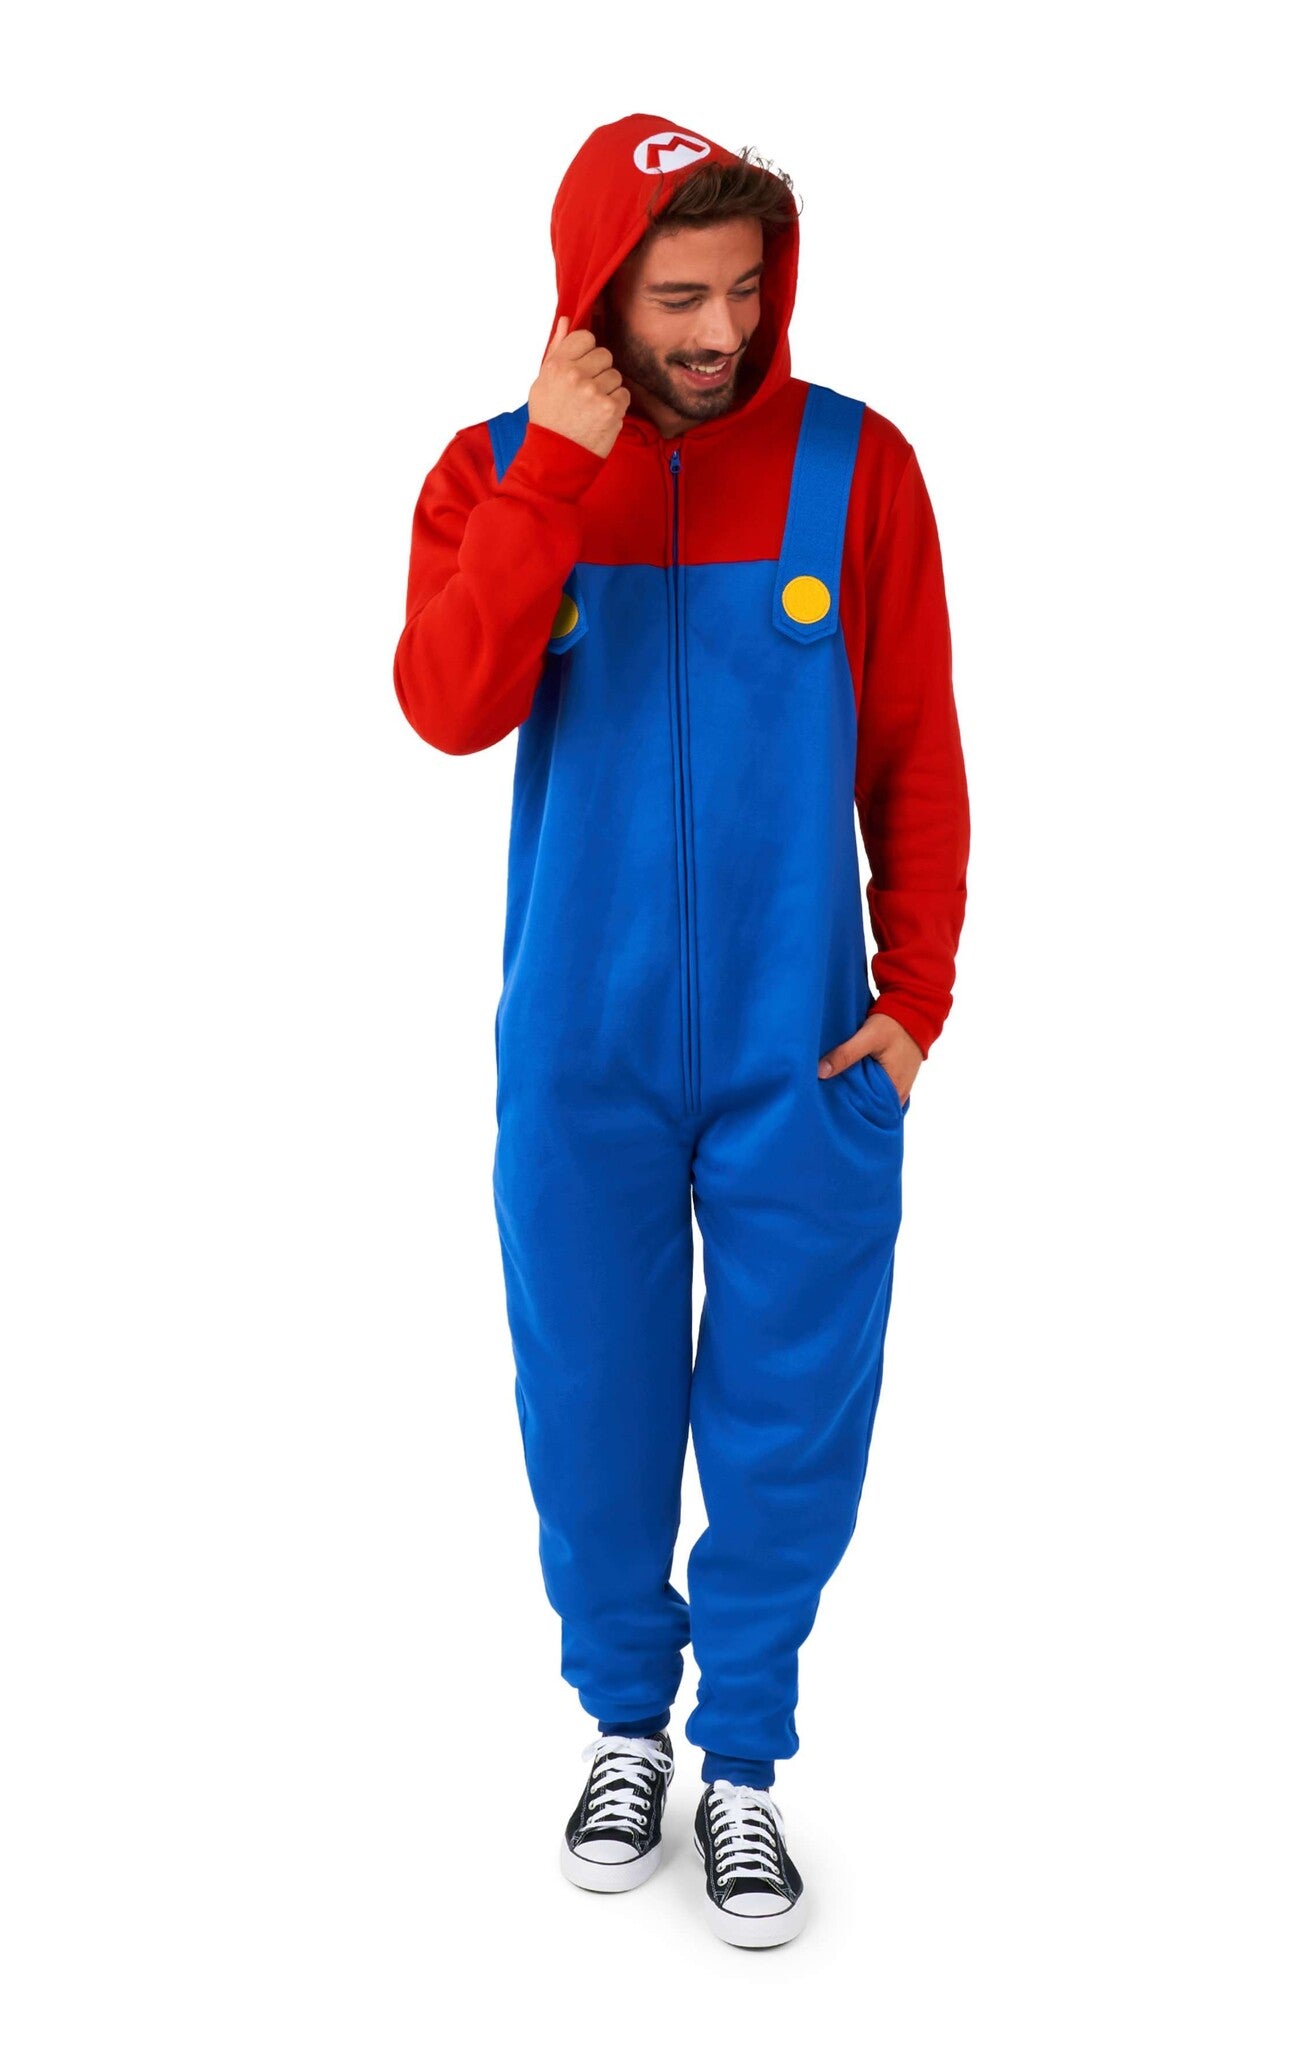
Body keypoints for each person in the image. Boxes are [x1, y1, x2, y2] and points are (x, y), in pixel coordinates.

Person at [393, 113, 970, 1948]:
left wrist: (912, 1004)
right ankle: (624, 1728)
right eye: (677, 298)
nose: (722, 330)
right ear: (595, 298)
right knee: (593, 1405)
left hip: (804, 1056)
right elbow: (447, 704)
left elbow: (915, 752)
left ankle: (743, 1761)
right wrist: (552, 479)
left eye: (744, 290)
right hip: (583, 1052)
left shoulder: (857, 467)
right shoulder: (495, 471)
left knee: (793, 1424)